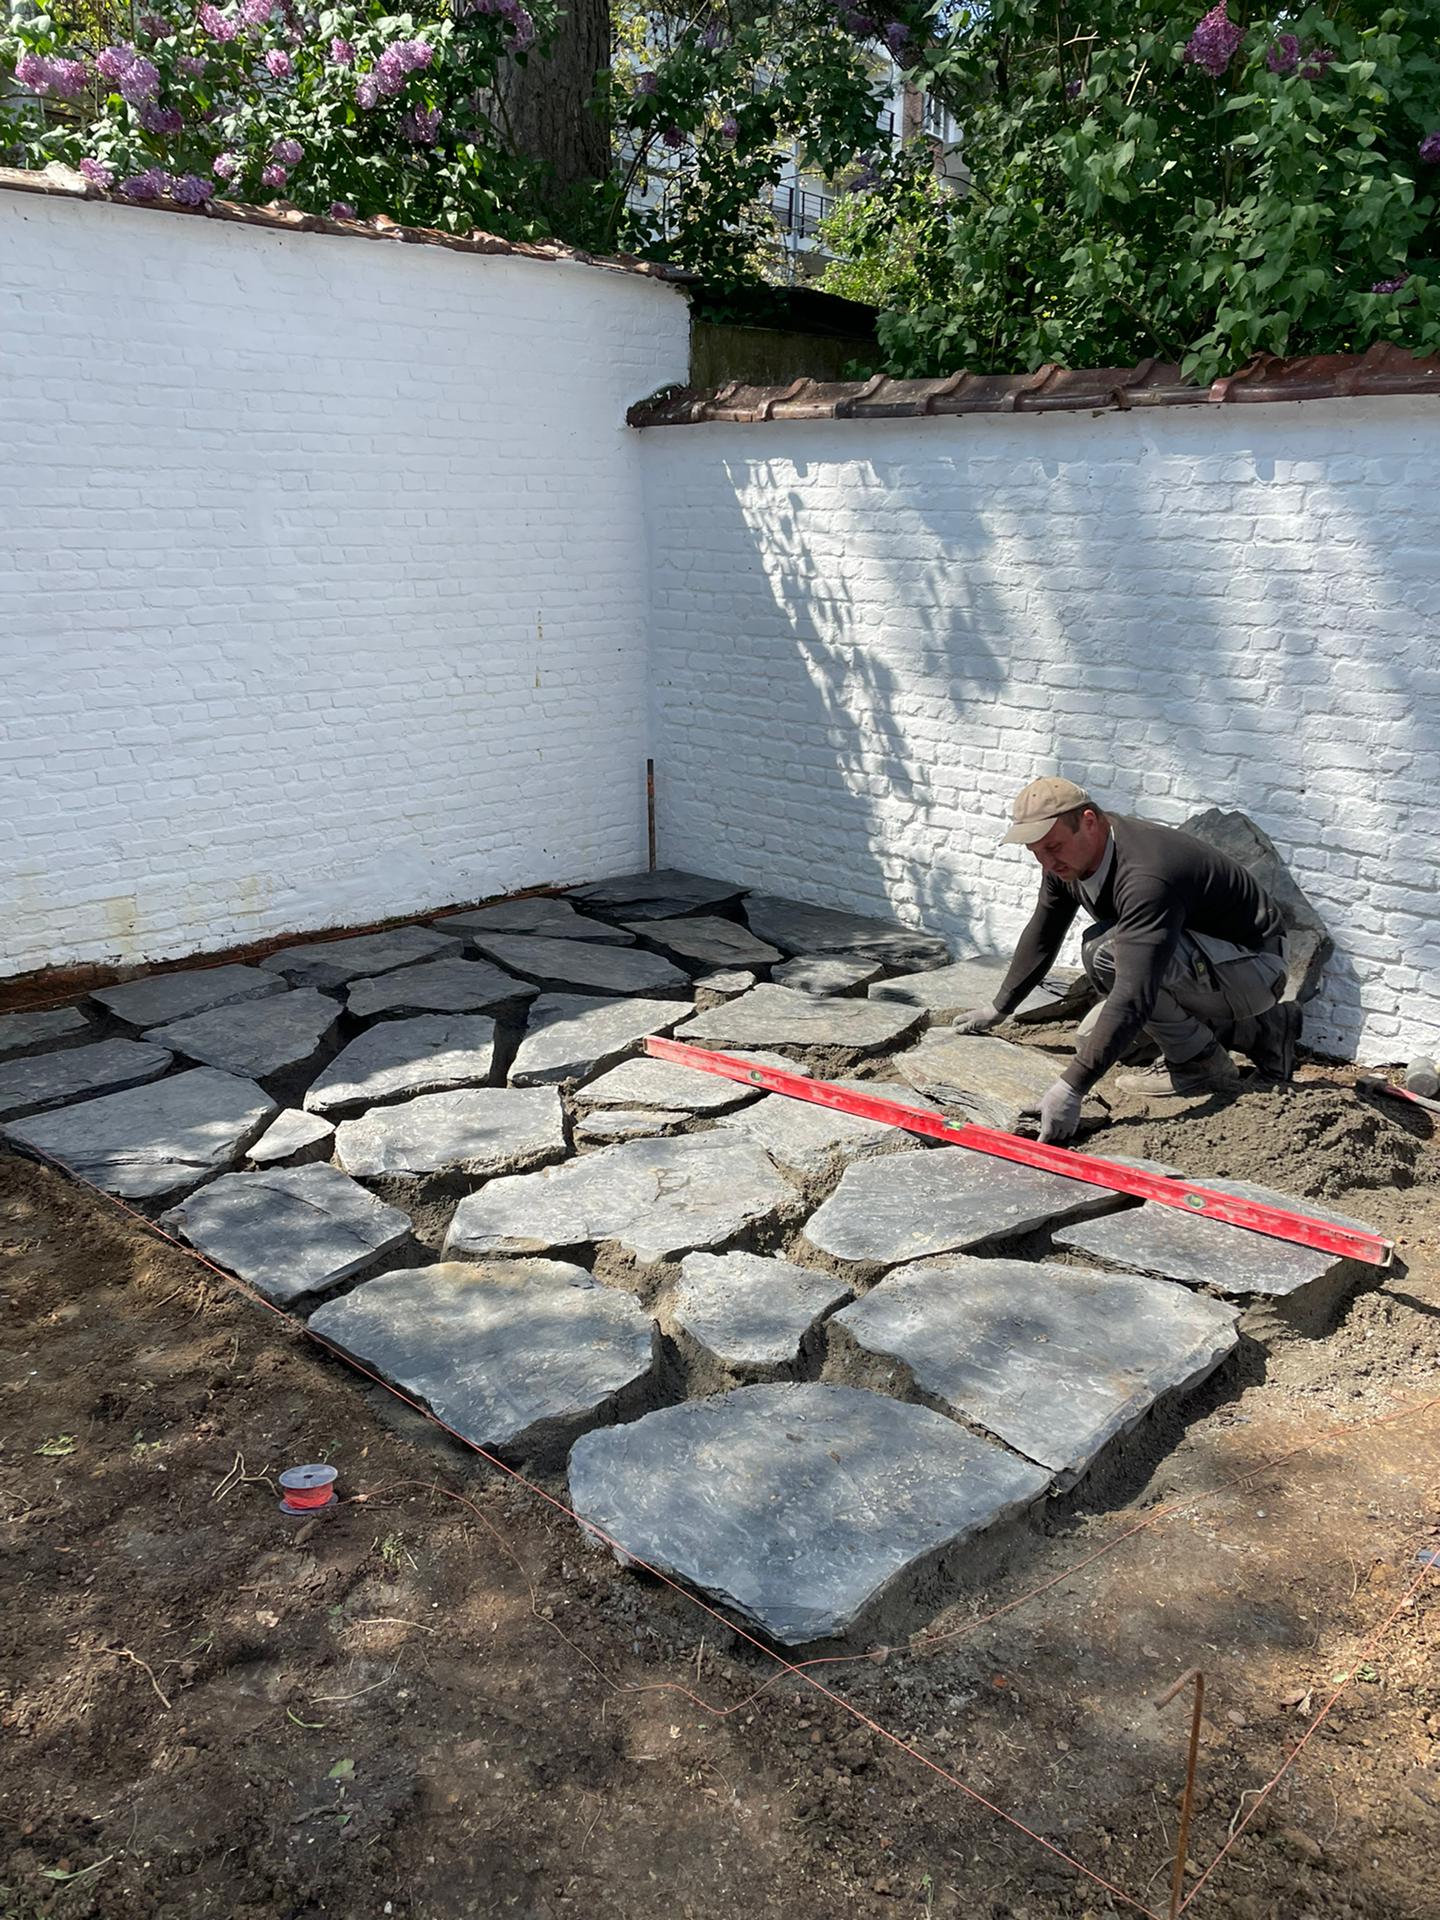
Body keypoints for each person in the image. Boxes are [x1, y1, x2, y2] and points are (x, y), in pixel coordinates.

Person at [954, 777, 1300, 1145]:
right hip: (1206, 965)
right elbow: (1045, 929)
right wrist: (1000, 1007)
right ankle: (1262, 1030)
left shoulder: (1147, 873)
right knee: (1090, 1038)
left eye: (1053, 847)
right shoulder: (1066, 861)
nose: (1047, 861)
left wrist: (1072, 1088)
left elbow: (1135, 992)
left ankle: (1201, 1064)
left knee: (1108, 954)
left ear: (1088, 821)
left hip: (1255, 966)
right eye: (1035, 851)